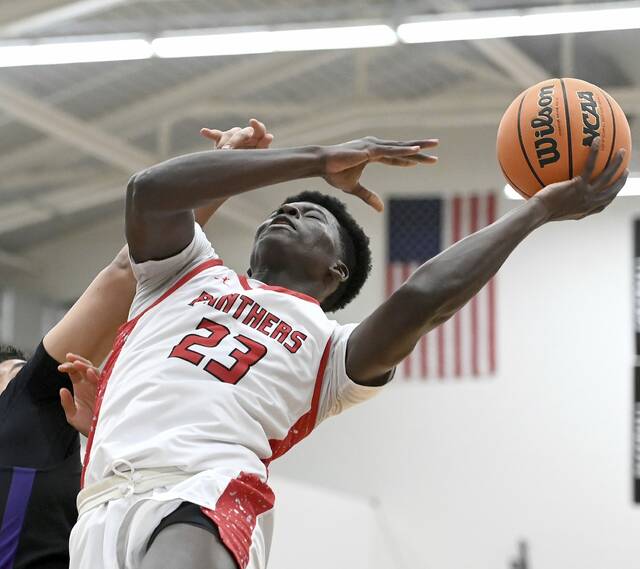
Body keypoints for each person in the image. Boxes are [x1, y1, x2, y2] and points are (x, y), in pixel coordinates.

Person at [67, 131, 627, 569]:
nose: (287, 212)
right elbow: (149, 190)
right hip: (98, 504)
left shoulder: (332, 350)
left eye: (314, 216)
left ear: (335, 270)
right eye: (281, 209)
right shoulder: (183, 272)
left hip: (206, 493)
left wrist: (535, 212)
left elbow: (425, 296)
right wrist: (318, 159)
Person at [0, 121, 273, 569]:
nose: (43, 376)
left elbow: (133, 268)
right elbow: (130, 270)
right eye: (16, 372)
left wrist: (223, 165)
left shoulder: (70, 452)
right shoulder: (27, 404)